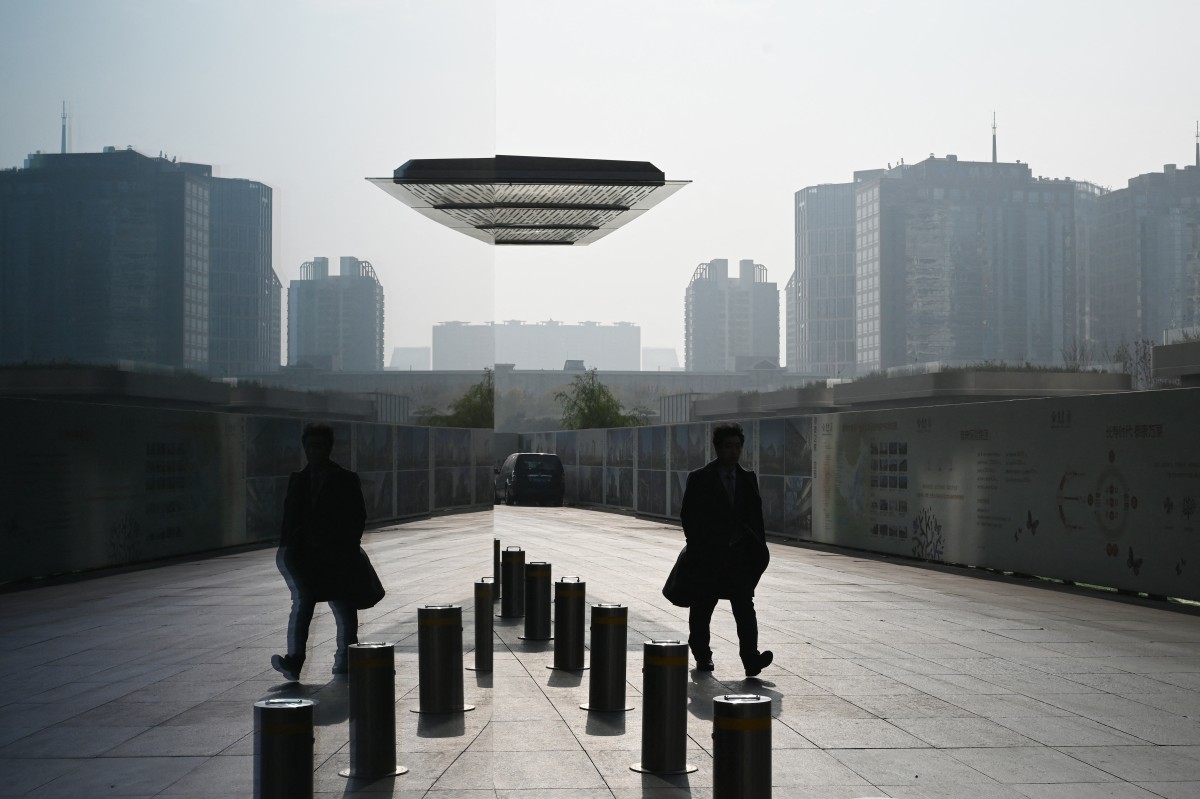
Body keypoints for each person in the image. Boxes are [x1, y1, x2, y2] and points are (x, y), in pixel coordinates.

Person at [272, 422, 366, 681]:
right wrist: (289, 548)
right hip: (307, 557)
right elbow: (289, 518)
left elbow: (357, 517)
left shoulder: (345, 479)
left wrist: (346, 548)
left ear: (328, 448)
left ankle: (346, 658)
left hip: (335, 555)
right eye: (310, 446)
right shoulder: (298, 479)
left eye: (319, 446)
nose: (314, 451)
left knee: (344, 606)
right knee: (304, 605)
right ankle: (295, 661)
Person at [679, 421, 772, 677]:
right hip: (709, 556)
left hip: (738, 557)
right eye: (728, 446)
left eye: (737, 446)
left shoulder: (747, 478)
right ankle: (702, 654)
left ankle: (751, 659)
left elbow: (756, 519)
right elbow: (688, 516)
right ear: (717, 448)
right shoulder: (700, 478)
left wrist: (757, 550)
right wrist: (698, 548)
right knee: (703, 606)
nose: (734, 451)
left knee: (744, 607)